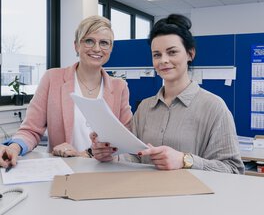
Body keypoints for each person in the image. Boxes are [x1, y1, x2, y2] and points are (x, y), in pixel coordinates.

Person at [91, 14, 245, 174]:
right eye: (157, 55)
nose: (163, 60)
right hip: (145, 194)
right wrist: (112, 157)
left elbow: (233, 169)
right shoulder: (145, 107)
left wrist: (185, 160)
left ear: (190, 54)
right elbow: (136, 157)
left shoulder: (213, 107)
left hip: (191, 196)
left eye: (172, 52)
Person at [0, 15, 132, 169]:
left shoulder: (119, 87)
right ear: (76, 45)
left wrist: (86, 154)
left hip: (105, 171)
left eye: (104, 43)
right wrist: (14, 148)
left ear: (110, 49)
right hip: (63, 170)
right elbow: (31, 130)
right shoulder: (52, 79)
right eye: (89, 41)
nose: (97, 48)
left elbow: (126, 139)